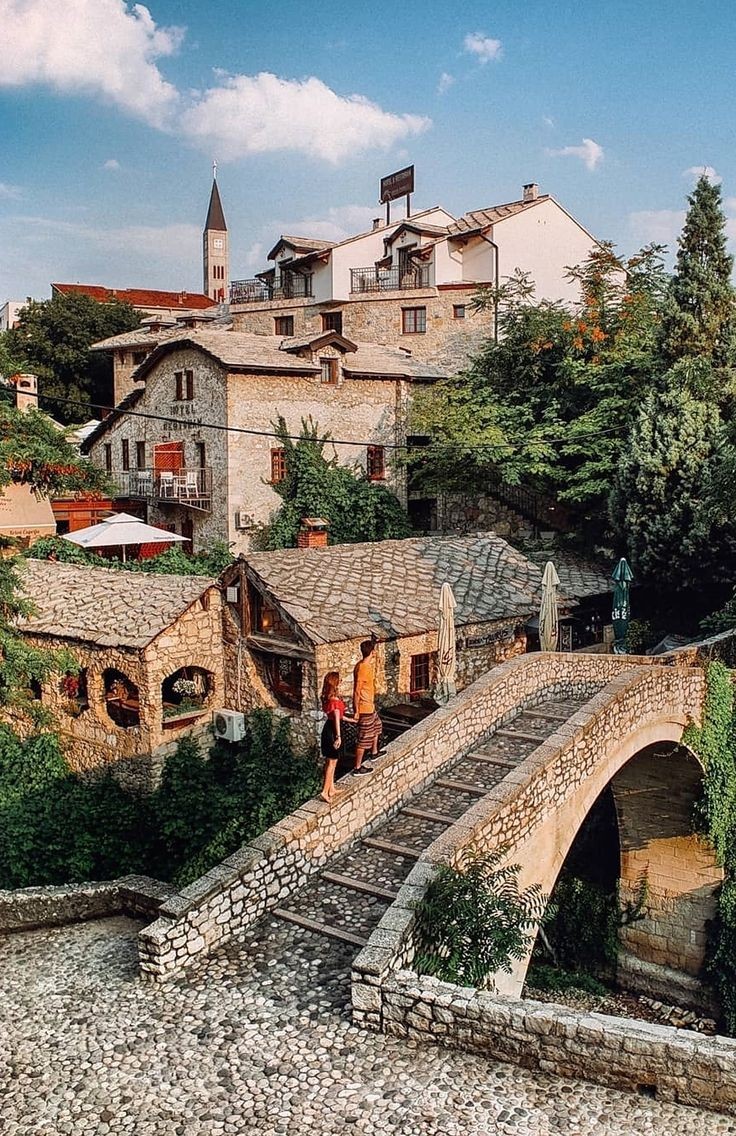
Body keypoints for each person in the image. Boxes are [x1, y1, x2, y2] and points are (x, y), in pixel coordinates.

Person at [319, 671, 353, 802]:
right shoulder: (335, 700)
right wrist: (338, 736)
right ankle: (324, 791)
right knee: (332, 762)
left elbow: (338, 716)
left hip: (328, 728)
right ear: (335, 683)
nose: (341, 682)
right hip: (333, 730)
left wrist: (352, 721)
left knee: (331, 761)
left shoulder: (328, 698)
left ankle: (331, 788)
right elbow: (338, 719)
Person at [352, 638, 382, 775]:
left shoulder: (362, 665)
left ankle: (374, 752)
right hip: (364, 708)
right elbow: (357, 690)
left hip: (370, 706)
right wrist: (356, 710)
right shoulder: (363, 668)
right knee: (364, 738)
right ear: (372, 652)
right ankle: (357, 767)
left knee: (377, 727)